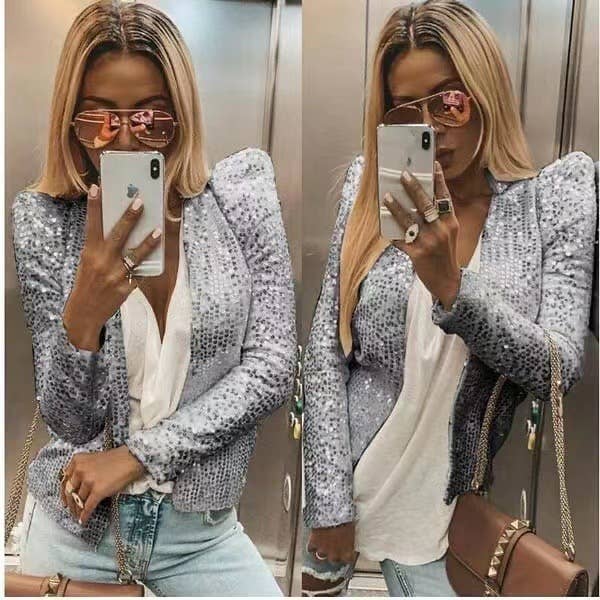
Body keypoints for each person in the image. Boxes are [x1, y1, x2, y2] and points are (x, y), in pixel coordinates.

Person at [301, 0, 596, 596]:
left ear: (485, 93)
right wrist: (328, 502)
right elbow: (327, 352)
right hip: (347, 511)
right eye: (407, 112)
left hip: (446, 524)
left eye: (449, 102)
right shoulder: (369, 190)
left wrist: (453, 288)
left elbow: (558, 369)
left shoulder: (551, 202)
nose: (432, 129)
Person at [12, 1, 296, 596]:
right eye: (100, 119)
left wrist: (138, 455)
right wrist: (82, 317)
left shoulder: (239, 199)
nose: (123, 140)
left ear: (181, 116)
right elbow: (69, 420)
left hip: (202, 538)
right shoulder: (44, 221)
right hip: (79, 532)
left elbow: (272, 368)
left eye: (149, 118)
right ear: (71, 122)